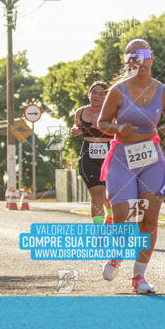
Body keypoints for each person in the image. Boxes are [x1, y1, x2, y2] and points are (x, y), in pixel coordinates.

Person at [97, 38, 165, 294]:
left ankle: (139, 277)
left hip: (150, 159)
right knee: (123, 216)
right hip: (122, 159)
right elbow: (102, 123)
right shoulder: (117, 91)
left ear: (151, 59)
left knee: (149, 219)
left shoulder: (164, 92)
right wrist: (116, 128)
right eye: (132, 57)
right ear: (127, 63)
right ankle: (116, 255)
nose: (139, 60)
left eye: (143, 54)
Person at [70, 81, 114, 224]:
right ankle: (99, 232)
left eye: (101, 94)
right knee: (97, 194)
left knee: (108, 195)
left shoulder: (111, 111)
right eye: (94, 92)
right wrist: (75, 131)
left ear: (106, 97)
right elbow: (76, 127)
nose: (97, 96)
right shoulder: (80, 112)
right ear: (89, 94)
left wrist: (102, 127)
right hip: (88, 154)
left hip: (109, 154)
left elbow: (117, 130)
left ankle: (110, 217)